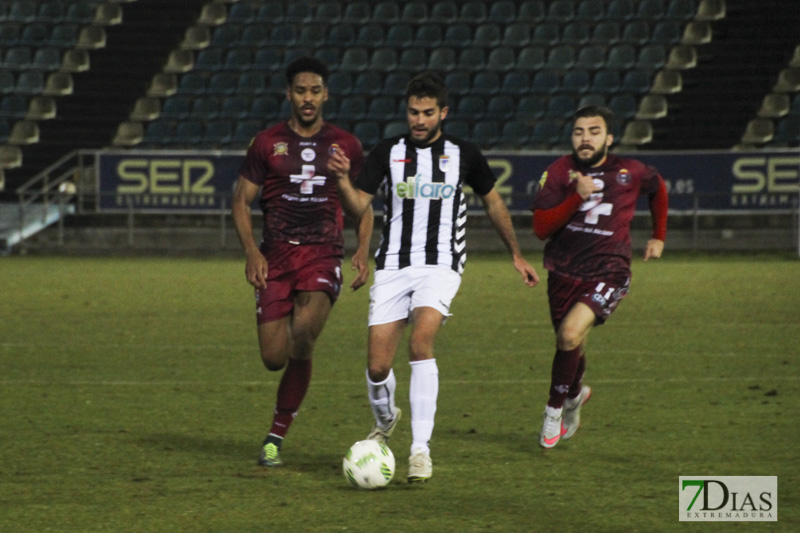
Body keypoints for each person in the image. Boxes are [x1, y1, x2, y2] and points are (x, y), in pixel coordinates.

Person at [328, 71, 539, 483]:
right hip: (392, 264)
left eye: (427, 112)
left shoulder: (464, 153)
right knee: (376, 368)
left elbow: (493, 203)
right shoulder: (388, 151)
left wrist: (515, 252)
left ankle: (420, 451)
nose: (419, 120)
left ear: (443, 112)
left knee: (421, 341)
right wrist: (340, 180)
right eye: (413, 112)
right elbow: (359, 206)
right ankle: (386, 422)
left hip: (442, 263)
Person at [231, 56, 373, 467]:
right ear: (288, 94)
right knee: (274, 358)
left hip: (322, 251)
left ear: (325, 94)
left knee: (304, 335)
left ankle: (275, 437)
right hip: (276, 253)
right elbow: (241, 200)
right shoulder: (266, 142)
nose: (307, 98)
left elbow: (363, 207)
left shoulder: (346, 144)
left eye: (315, 91)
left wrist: (362, 250)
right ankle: (289, 330)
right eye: (300, 91)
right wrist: (252, 251)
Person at [530, 105, 668, 449]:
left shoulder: (630, 171)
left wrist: (658, 235)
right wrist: (576, 196)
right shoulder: (558, 173)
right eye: (579, 132)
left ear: (608, 137)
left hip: (610, 269)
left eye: (593, 132)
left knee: (569, 334)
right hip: (563, 270)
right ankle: (575, 395)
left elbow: (659, 188)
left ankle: (553, 411)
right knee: (571, 342)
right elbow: (541, 228)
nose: (585, 139)